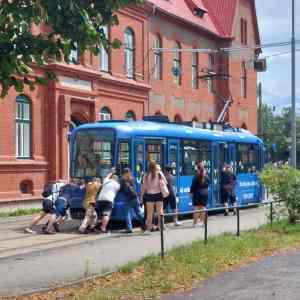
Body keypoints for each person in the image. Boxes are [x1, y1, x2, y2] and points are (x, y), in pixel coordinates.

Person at [142, 161, 165, 234]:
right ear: (155, 166)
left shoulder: (145, 175)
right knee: (160, 212)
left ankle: (148, 230)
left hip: (149, 195)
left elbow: (144, 187)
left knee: (149, 214)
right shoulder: (159, 174)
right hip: (158, 194)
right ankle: (161, 228)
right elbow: (165, 183)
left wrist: (141, 197)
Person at [120, 168, 144, 233]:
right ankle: (145, 225)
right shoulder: (132, 179)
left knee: (127, 213)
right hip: (135, 197)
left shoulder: (122, 180)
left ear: (124, 173)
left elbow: (120, 188)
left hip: (128, 198)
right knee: (138, 213)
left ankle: (129, 228)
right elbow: (134, 187)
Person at [190, 162, 210, 227]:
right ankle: (204, 223)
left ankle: (195, 223)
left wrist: (191, 194)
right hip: (205, 193)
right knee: (203, 208)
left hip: (197, 193)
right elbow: (209, 183)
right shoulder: (206, 176)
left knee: (196, 209)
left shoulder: (195, 177)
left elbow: (193, 187)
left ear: (197, 169)